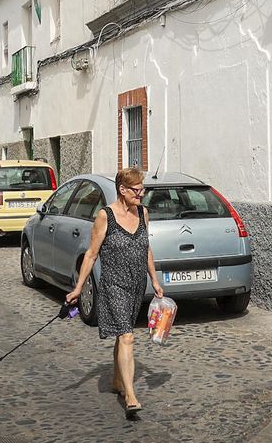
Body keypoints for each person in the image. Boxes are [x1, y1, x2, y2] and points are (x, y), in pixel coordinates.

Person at [66, 167, 166, 420]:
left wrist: (154, 280)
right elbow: (91, 254)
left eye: (142, 189)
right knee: (128, 337)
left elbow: (146, 248)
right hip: (114, 285)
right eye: (136, 190)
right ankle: (130, 395)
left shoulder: (143, 213)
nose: (141, 194)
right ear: (122, 190)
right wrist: (79, 287)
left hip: (136, 285)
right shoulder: (105, 216)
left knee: (123, 334)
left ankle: (116, 380)